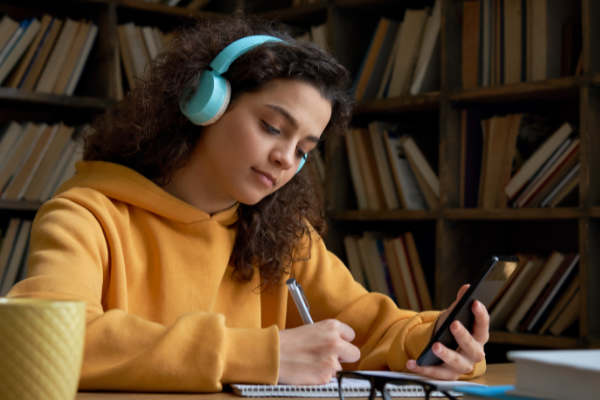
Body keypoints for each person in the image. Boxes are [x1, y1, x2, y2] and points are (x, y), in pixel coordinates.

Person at [7, 14, 488, 392]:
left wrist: (441, 343)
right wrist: (261, 356)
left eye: (304, 150)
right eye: (272, 127)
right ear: (206, 103)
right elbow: (48, 346)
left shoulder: (285, 237)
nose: (285, 159)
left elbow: (374, 326)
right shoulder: (87, 216)